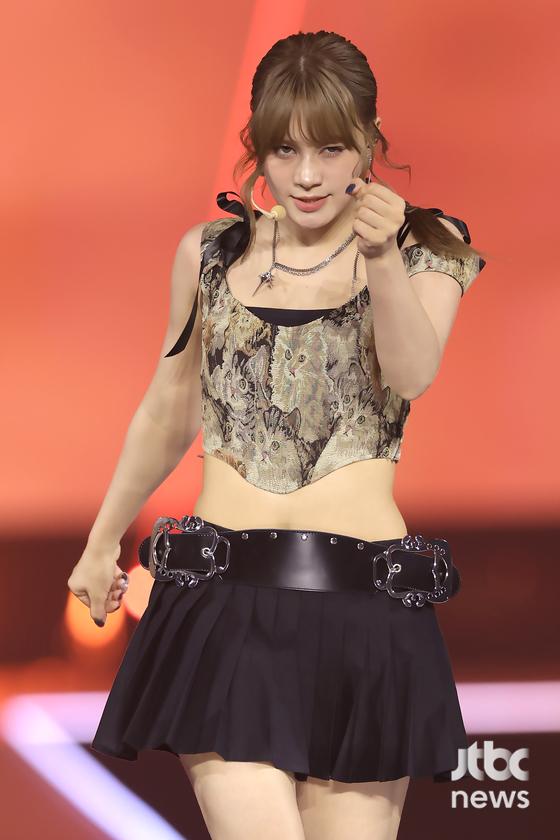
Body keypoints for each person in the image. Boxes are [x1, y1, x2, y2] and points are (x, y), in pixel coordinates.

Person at [67, 30, 487, 840]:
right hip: (223, 606)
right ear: (256, 144)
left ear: (369, 140)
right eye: (285, 149)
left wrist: (382, 259)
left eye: (331, 148)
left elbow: (411, 374)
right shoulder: (209, 253)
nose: (306, 175)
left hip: (369, 615)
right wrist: (101, 540)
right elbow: (168, 408)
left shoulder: (427, 246)